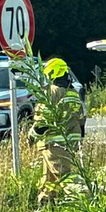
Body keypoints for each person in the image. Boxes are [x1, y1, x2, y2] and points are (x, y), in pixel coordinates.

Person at [35, 58, 85, 201]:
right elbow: (82, 118)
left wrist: (32, 136)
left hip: (54, 142)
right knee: (50, 177)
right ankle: (46, 202)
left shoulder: (51, 93)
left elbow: (42, 121)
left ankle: (83, 199)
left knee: (64, 174)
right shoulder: (73, 93)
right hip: (69, 142)